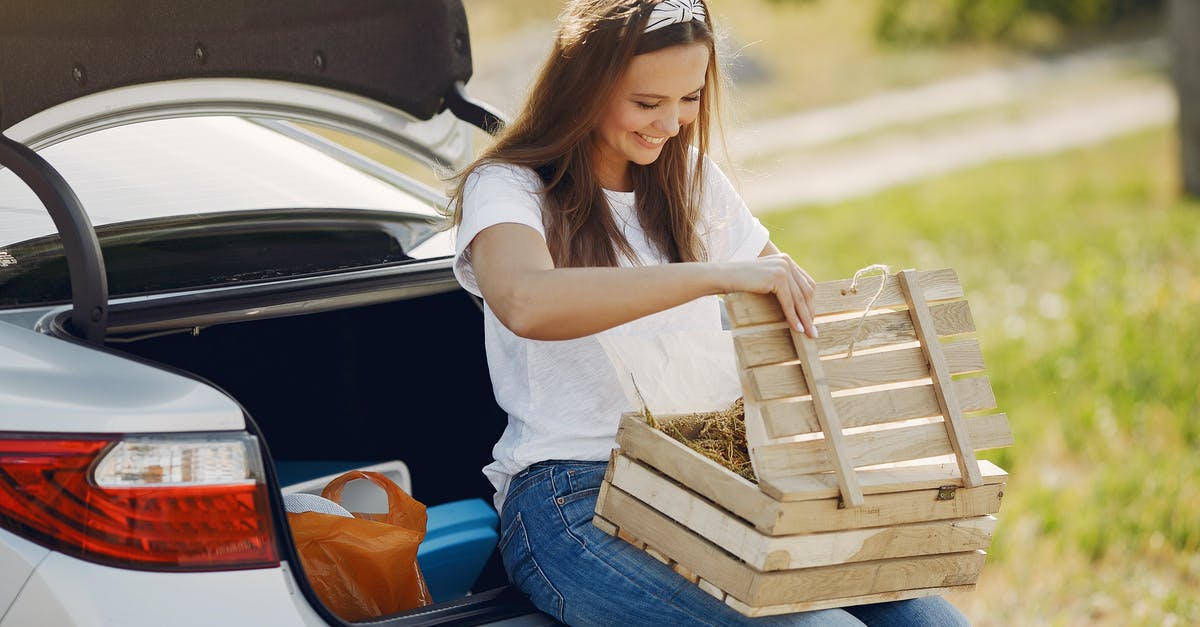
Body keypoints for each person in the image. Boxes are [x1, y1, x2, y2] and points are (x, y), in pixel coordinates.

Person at [449, 1, 971, 625]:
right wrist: (714, 275)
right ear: (584, 87)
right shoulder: (508, 186)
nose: (671, 124)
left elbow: (793, 311)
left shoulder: (688, 179)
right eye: (647, 103)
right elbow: (525, 302)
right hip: (570, 499)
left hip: (711, 478)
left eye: (690, 98)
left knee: (932, 621)